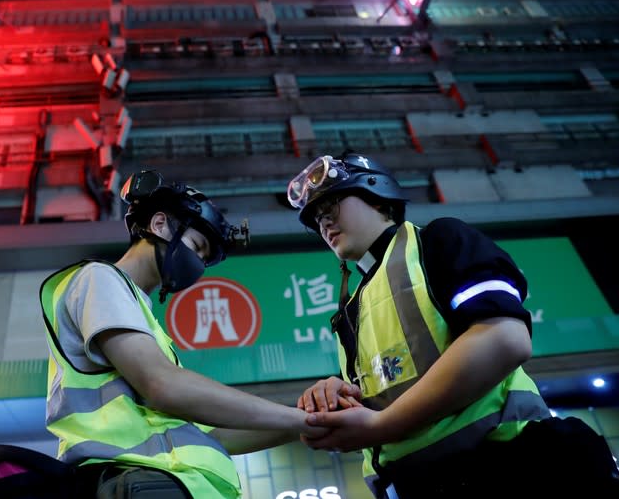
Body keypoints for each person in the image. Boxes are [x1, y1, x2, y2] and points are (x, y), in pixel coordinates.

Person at [286, 153, 619, 498]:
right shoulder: (353, 307)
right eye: (316, 218)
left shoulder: (438, 240)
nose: (324, 223)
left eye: (332, 206)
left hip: (512, 471)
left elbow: (506, 337)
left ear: (376, 193)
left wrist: (382, 425)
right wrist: (334, 396)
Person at [39, 170, 328, 499]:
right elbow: (162, 386)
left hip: (169, 484)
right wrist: (298, 417)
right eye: (197, 246)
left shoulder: (145, 322)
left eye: (205, 260)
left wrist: (306, 421)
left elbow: (217, 434)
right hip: (137, 481)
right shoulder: (99, 280)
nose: (198, 266)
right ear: (159, 225)